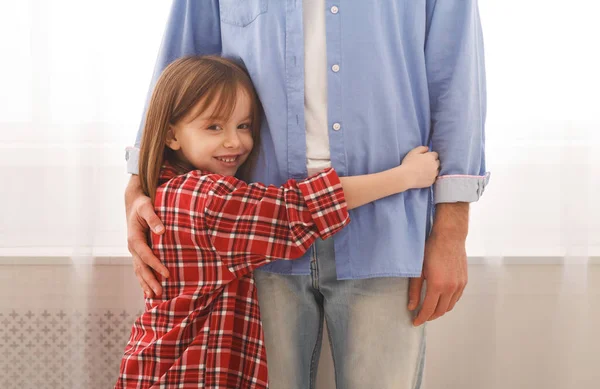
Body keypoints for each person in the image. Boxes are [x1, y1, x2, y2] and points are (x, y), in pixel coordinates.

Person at [124, 1, 490, 388]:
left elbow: (456, 79)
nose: (230, 138)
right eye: (216, 128)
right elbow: (178, 77)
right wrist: (137, 192)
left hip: (386, 228)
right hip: (254, 241)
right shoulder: (207, 202)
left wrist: (452, 230)